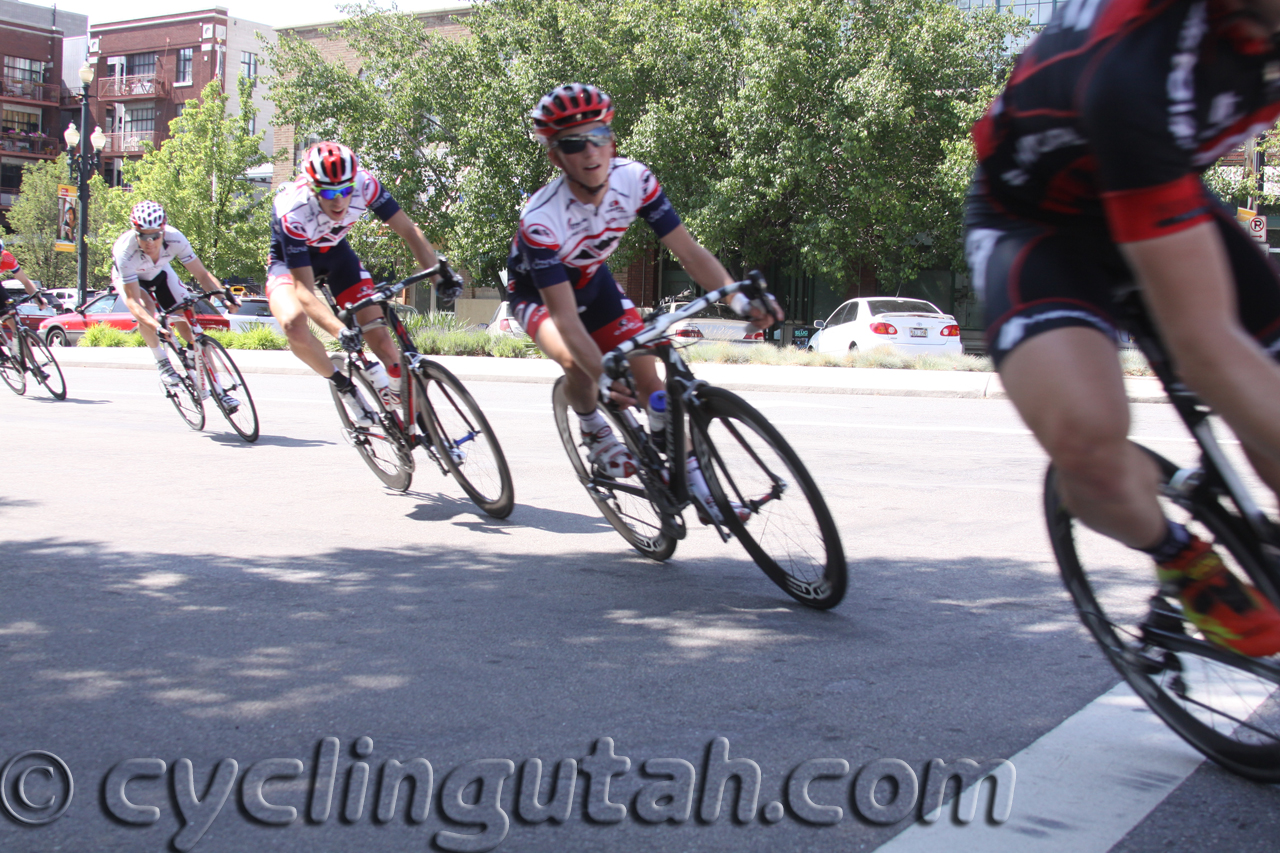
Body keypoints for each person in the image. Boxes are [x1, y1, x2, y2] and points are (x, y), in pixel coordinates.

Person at [964, 0, 1280, 655]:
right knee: (1088, 443)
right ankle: (1180, 555)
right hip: (1040, 227)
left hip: (1165, 193)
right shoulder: (1140, 61)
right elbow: (1206, 348)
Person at [507, 83, 779, 522]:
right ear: (556, 157)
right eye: (575, 143)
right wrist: (601, 373)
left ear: (611, 139)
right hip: (539, 296)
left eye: (599, 136)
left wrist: (738, 300)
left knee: (652, 382)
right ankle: (593, 427)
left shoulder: (636, 180)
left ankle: (697, 486)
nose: (591, 151)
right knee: (580, 365)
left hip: (593, 283)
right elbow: (566, 323)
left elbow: (688, 252)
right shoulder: (542, 219)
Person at [266, 141, 458, 425]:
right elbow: (304, 292)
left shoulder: (365, 184)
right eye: (329, 192)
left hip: (336, 255)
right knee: (293, 323)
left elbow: (409, 231)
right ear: (312, 187)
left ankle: (410, 420)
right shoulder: (293, 209)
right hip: (290, 262)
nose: (339, 200)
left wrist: (438, 275)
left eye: (345, 191)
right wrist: (339, 330)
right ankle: (342, 384)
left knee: (384, 342)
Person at [111, 201, 239, 409]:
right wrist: (156, 326)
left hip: (160, 273)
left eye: (155, 236)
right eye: (143, 236)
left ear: (163, 231)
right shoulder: (125, 252)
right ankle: (161, 361)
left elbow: (202, 274)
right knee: (147, 307)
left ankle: (218, 390)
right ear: (136, 233)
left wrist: (224, 297)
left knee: (188, 318)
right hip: (133, 280)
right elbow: (133, 302)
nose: (149, 241)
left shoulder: (176, 239)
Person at [0, 237, 46, 361]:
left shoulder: (7, 258)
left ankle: (33, 364)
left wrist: (37, 298)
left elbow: (25, 281)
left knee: (14, 319)